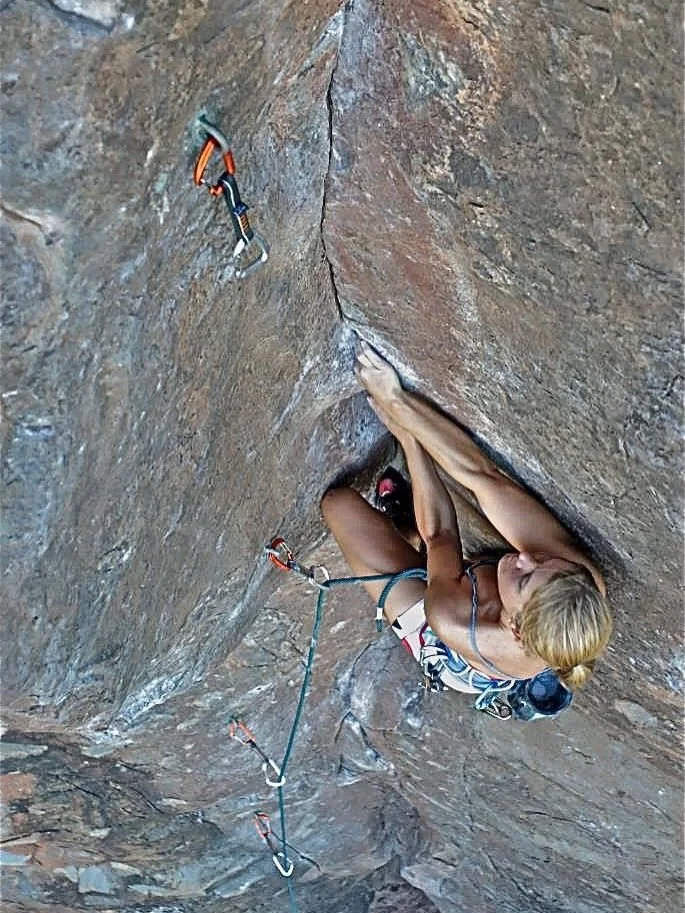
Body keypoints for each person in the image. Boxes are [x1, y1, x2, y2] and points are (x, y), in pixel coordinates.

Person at [320, 342, 612, 697]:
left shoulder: (452, 619)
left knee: (338, 505)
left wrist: (408, 437)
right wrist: (397, 400)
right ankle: (409, 527)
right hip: (479, 592)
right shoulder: (577, 582)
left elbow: (440, 534)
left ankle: (406, 528)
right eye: (543, 561)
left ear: (516, 630)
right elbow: (485, 477)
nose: (524, 556)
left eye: (524, 578)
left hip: (447, 646)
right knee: (444, 547)